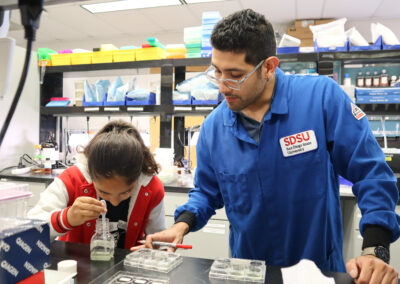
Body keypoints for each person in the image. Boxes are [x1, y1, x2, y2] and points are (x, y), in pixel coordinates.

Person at [143, 9, 400, 283]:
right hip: (247, 272)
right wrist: (182, 224)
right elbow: (206, 192)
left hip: (317, 271)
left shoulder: (321, 99)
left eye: (234, 75)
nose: (222, 86)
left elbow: (371, 173)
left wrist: (375, 249)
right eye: (217, 71)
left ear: (269, 67)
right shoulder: (214, 128)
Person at [28, 119, 166, 250]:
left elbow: (159, 239)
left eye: (125, 192)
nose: (114, 202)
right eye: (104, 192)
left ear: (138, 177)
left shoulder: (151, 188)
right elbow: (29, 230)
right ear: (91, 175)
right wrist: (67, 218)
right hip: (77, 266)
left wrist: (156, 246)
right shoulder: (72, 179)